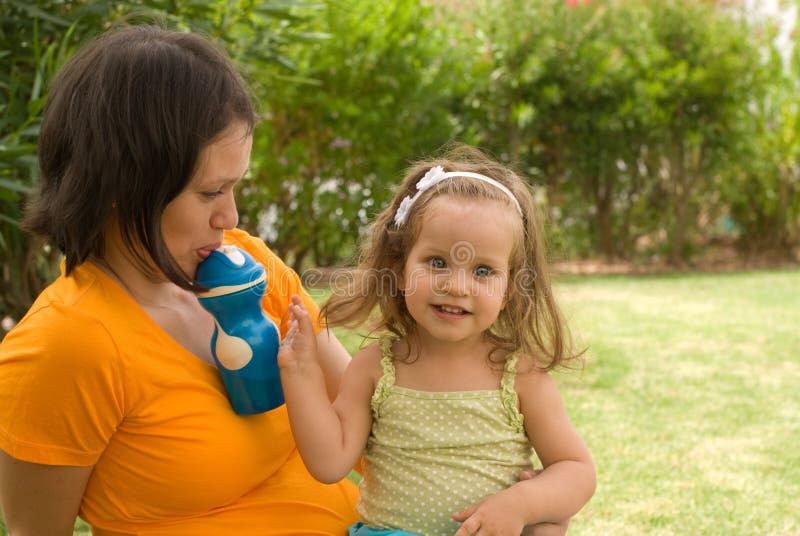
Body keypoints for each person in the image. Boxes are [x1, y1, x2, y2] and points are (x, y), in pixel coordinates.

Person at [0, 25, 359, 534]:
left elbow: (360, 410)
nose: (230, 217)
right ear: (123, 186)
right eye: (211, 192)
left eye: (235, 188)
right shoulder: (66, 346)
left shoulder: (247, 264)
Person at [278, 146, 596, 536]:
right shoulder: (378, 366)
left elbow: (577, 471)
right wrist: (300, 373)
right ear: (398, 269)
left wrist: (520, 504)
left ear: (509, 290)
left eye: (482, 271)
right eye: (437, 262)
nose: (456, 286)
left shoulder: (519, 374)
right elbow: (329, 463)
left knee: (550, 519)